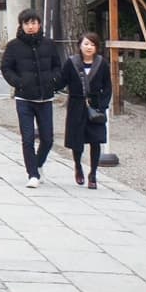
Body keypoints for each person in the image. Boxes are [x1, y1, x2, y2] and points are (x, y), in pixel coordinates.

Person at [0, 8, 62, 189]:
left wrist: (53, 81)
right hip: (24, 98)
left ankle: (38, 164)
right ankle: (32, 174)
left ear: (39, 24)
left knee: (47, 139)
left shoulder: (49, 44)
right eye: (26, 23)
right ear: (21, 25)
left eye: (33, 23)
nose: (30, 26)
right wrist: (18, 83)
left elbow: (57, 66)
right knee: (27, 138)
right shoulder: (13, 46)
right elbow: (6, 68)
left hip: (45, 98)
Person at [61, 32, 112, 189]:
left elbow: (107, 86)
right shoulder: (71, 62)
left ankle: (93, 174)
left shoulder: (102, 64)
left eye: (92, 44)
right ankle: (78, 166)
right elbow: (62, 81)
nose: (89, 47)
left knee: (96, 140)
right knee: (77, 140)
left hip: (95, 106)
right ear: (80, 45)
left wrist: (102, 106)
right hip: (76, 105)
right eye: (86, 44)